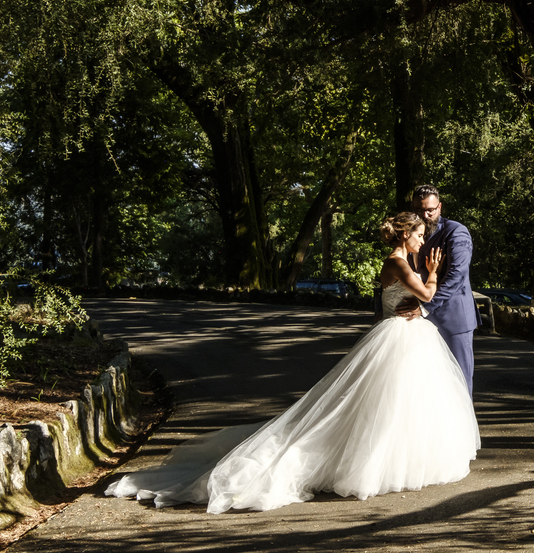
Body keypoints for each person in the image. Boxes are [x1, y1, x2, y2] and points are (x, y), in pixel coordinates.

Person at [105, 212, 480, 513]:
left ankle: (402, 459)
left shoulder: (401, 262)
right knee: (383, 404)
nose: (423, 241)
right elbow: (427, 294)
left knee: (403, 403)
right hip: (398, 337)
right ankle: (372, 464)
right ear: (405, 235)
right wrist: (433, 271)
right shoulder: (399, 263)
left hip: (405, 336)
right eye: (419, 235)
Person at [405, 184, 480, 395]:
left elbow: (457, 275)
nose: (425, 215)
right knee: (427, 385)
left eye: (430, 210)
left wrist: (424, 307)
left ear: (440, 207)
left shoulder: (456, 232)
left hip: (453, 320)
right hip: (418, 324)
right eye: (419, 210)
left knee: (459, 383)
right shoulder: (409, 234)